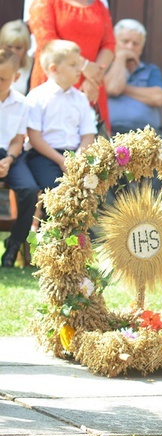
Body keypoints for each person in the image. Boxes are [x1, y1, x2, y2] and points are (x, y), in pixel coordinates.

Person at [28, 0, 115, 129]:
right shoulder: (44, 2)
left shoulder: (99, 5)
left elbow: (109, 44)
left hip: (90, 84)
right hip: (57, 78)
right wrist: (84, 65)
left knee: (92, 140)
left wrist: (93, 78)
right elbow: (47, 41)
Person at [25, 40, 96, 194]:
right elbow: (34, 137)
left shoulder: (81, 98)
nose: (79, 69)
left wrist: (77, 158)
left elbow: (88, 134)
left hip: (76, 155)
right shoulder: (37, 96)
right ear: (54, 69)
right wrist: (62, 161)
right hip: (45, 156)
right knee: (57, 191)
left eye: (79, 63)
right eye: (73, 65)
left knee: (90, 190)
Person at [0, 49, 39, 268]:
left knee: (29, 189)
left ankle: (14, 244)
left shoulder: (22, 103)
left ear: (16, 77)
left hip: (11, 155)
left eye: (2, 78)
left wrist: (8, 160)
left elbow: (18, 139)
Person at [104, 19, 162, 135]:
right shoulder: (105, 67)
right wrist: (121, 57)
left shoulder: (151, 70)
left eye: (135, 43)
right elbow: (112, 89)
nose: (130, 47)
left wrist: (123, 88)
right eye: (125, 41)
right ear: (114, 43)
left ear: (141, 49)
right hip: (112, 132)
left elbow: (157, 98)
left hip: (148, 134)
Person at [0, 20, 33, 95]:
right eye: (9, 46)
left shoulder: (33, 66)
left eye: (18, 48)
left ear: (26, 48)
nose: (13, 51)